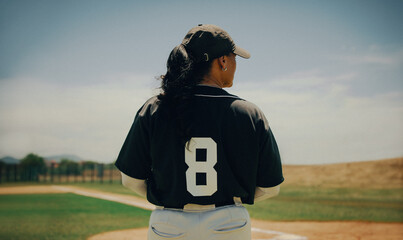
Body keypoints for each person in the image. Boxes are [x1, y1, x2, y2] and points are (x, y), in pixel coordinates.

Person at [115, 24, 284, 240]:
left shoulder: (154, 108)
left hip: (169, 225)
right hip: (229, 225)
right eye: (233, 58)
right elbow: (271, 187)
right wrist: (234, 201)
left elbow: (130, 179)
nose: (235, 64)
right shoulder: (248, 112)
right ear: (222, 61)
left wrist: (167, 196)